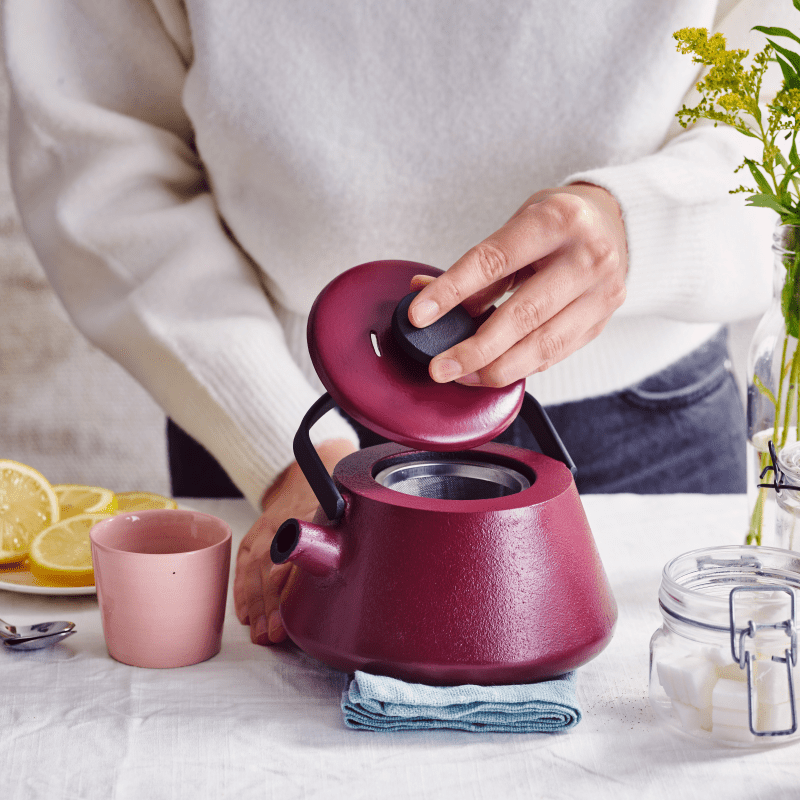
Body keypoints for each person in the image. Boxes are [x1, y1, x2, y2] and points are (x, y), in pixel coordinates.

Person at [3, 0, 786, 647]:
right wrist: (279, 442)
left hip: (642, 427)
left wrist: (639, 227)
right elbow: (93, 148)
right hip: (279, 422)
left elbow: (780, 92)